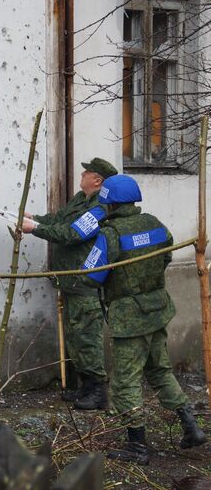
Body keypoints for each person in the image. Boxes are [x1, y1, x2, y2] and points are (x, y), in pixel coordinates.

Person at [82, 174, 207, 464]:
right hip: (157, 310)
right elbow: (165, 259)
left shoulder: (110, 234)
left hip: (129, 319)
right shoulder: (155, 224)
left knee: (125, 382)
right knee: (160, 371)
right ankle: (191, 427)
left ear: (109, 204)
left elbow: (91, 276)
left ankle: (136, 447)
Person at [22, 157, 117, 409]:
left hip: (85, 282)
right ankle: (86, 386)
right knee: (75, 337)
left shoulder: (100, 207)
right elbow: (60, 220)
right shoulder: (80, 199)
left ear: (97, 180)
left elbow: (73, 234)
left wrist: (35, 229)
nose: (82, 173)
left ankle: (98, 390)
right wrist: (36, 219)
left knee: (87, 337)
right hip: (70, 281)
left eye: (87, 172)